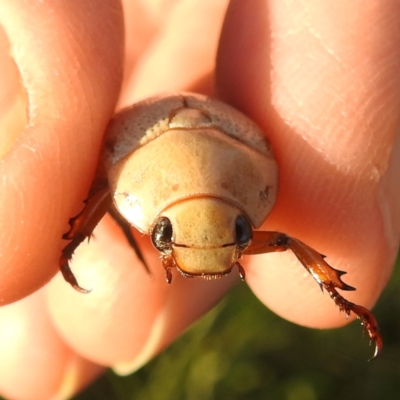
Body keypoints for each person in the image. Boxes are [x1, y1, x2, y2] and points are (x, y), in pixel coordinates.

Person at [0, 1, 399, 399]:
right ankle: (341, 298)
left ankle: (339, 297)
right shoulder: (130, 177)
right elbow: (107, 190)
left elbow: (108, 191)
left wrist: (72, 242)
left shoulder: (217, 172)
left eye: (242, 234)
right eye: (237, 234)